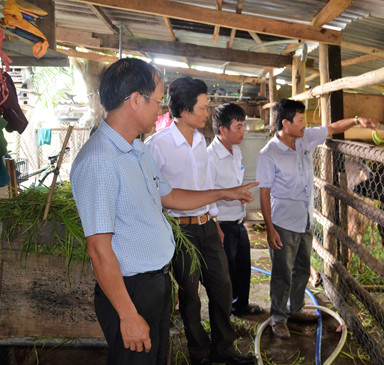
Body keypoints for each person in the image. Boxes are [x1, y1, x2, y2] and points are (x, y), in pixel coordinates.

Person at [70, 58, 257, 365]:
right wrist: (128, 315)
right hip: (130, 290)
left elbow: (169, 196)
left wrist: (224, 193)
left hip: (155, 281)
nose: (160, 109)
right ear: (134, 101)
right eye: (156, 100)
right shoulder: (99, 160)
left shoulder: (138, 150)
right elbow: (99, 250)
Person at [145, 78, 256, 365]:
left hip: (207, 225)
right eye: (203, 108)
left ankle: (224, 350)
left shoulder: (199, 141)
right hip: (180, 231)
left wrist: (215, 222)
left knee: (222, 289)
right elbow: (153, 195)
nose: (207, 113)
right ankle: (199, 353)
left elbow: (206, 185)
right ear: (183, 109)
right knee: (190, 296)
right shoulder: (157, 145)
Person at [257, 98, 379, 339]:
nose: (305, 124)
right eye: (301, 120)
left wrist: (357, 120)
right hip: (282, 222)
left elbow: (332, 128)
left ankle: (295, 309)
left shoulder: (304, 138)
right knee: (282, 272)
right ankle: (277, 318)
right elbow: (264, 193)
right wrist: (270, 229)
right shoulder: (268, 154)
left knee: (302, 268)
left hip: (304, 220)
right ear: (285, 123)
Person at [207, 103, 264, 317]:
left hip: (239, 221)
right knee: (225, 273)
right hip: (222, 224)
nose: (243, 131)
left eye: (243, 126)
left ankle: (241, 306)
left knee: (243, 268)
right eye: (238, 126)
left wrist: (241, 197)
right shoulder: (210, 158)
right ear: (223, 130)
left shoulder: (236, 151)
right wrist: (216, 225)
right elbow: (207, 193)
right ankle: (224, 313)